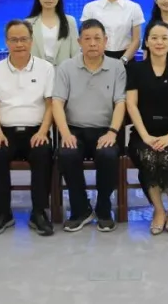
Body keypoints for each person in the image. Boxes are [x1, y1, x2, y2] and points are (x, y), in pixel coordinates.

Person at [52, 19, 127, 233]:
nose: (92, 43)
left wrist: (112, 132)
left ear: (105, 41)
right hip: (74, 129)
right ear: (79, 42)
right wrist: (65, 133)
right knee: (67, 154)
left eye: (97, 38)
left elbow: (120, 103)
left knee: (108, 154)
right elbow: (56, 103)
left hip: (105, 129)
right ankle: (80, 209)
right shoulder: (66, 67)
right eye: (87, 39)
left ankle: (103, 208)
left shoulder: (117, 67)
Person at [0, 20, 56, 237]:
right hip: (4, 131)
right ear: (6, 42)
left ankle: (39, 212)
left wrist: (43, 132)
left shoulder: (46, 69)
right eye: (14, 40)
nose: (19, 44)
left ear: (31, 41)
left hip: (37, 130)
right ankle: (2, 213)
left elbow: (51, 105)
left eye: (23, 39)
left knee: (43, 152)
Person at [126, 20, 168, 234]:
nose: (159, 42)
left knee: (167, 158)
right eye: (154, 38)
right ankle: (158, 209)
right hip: (143, 133)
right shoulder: (135, 69)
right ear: (146, 42)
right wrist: (145, 136)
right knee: (148, 157)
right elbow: (131, 105)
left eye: (164, 38)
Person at [81, 0, 145, 65]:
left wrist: (123, 60)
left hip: (126, 59)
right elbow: (86, 38)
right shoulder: (90, 8)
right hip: (97, 60)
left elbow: (136, 40)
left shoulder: (134, 8)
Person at [27, 0, 80, 66]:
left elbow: (76, 53)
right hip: (37, 72)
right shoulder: (28, 23)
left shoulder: (69, 21)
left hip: (63, 72)